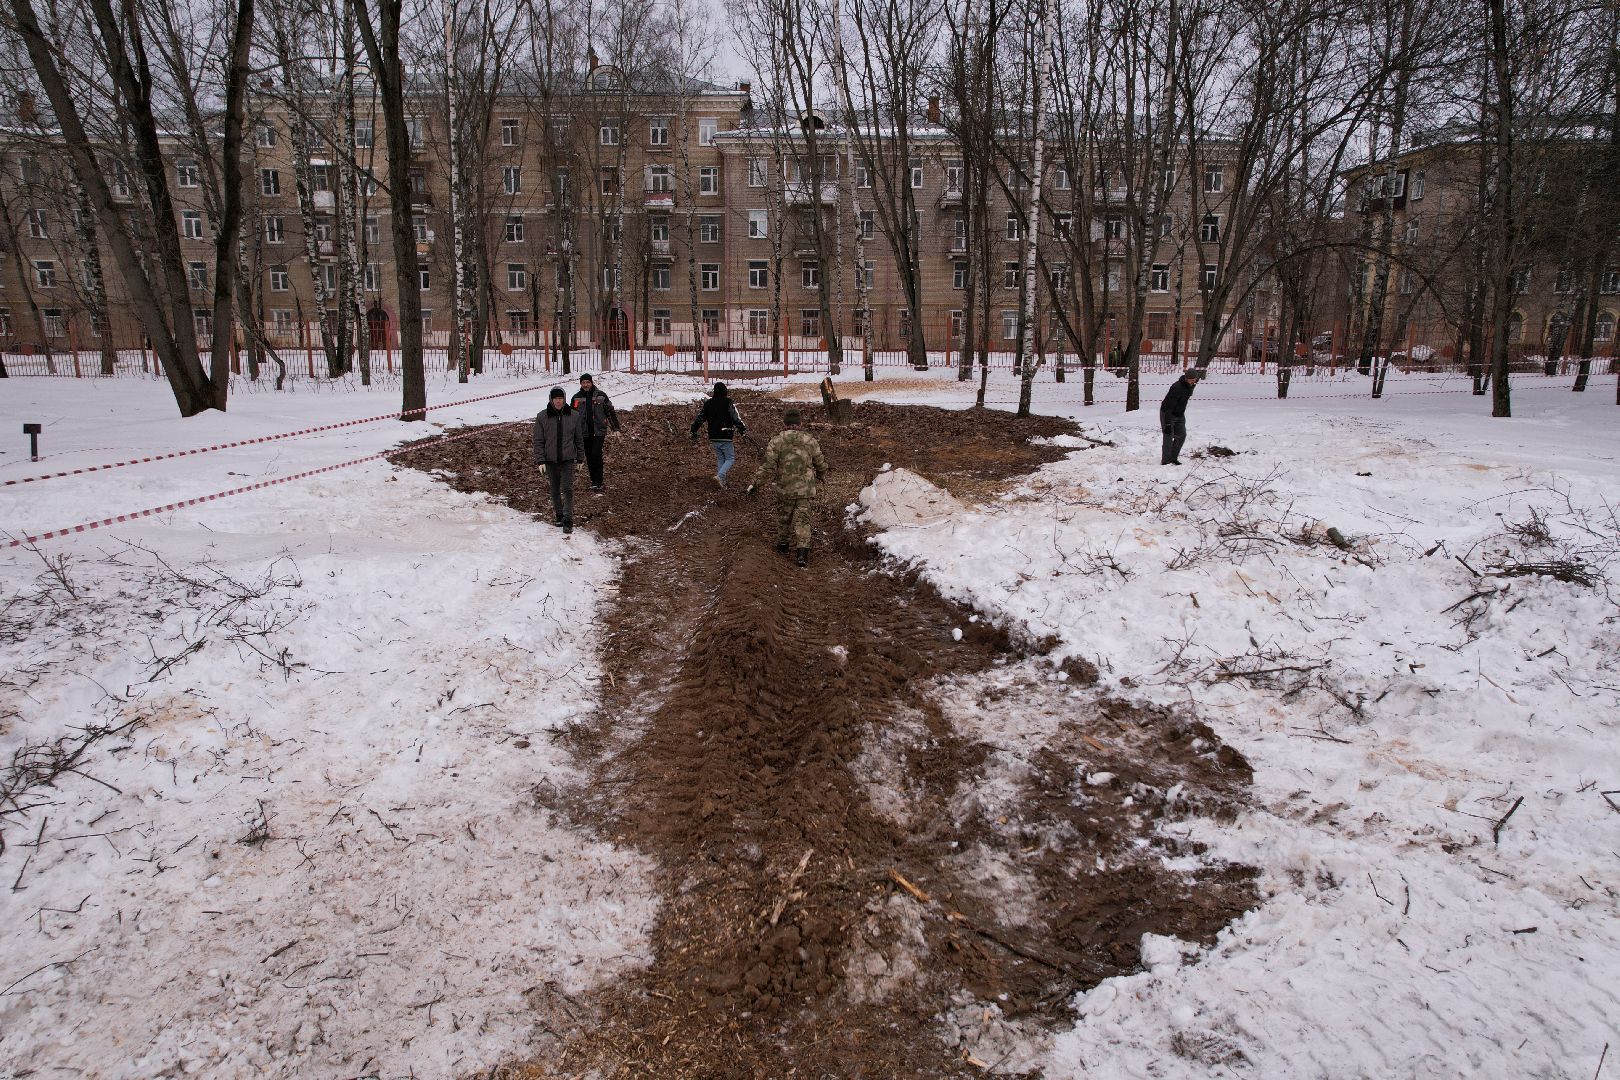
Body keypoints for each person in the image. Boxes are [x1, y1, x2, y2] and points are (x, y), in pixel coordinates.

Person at [746, 409, 827, 568]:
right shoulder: (810, 440)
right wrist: (821, 475)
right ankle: (802, 553)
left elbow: (767, 467)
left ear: (785, 424)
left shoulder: (776, 441)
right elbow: (820, 463)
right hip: (805, 488)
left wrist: (755, 485)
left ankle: (783, 546)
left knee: (784, 516)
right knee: (803, 519)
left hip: (785, 488)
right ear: (800, 423)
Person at [533, 386, 585, 534]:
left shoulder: (574, 416)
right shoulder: (542, 417)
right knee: (555, 489)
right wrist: (540, 460)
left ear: (564, 399)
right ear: (551, 399)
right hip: (550, 460)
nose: (558, 401)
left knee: (567, 489)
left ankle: (568, 519)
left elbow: (579, 439)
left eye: (560, 398)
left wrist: (580, 458)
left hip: (568, 458)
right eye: (555, 398)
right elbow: (538, 441)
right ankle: (559, 514)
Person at [569, 372, 621, 493]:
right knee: (589, 456)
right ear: (580, 384)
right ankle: (594, 481)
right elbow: (571, 416)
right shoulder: (576, 398)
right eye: (583, 382)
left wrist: (615, 428)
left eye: (588, 382)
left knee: (596, 453)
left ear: (592, 382)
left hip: (599, 431)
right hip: (584, 432)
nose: (586, 384)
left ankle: (599, 481)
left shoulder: (601, 396)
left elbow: (610, 412)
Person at [689, 382, 748, 487]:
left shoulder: (708, 404)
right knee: (730, 458)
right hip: (726, 434)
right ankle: (720, 476)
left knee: (721, 459)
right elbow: (735, 418)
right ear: (725, 391)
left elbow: (700, 418)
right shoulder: (728, 402)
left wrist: (694, 429)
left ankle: (721, 482)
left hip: (713, 436)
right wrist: (742, 429)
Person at [1159, 368, 1203, 465]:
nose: (1193, 381)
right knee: (1168, 436)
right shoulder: (1176, 388)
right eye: (1191, 379)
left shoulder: (1191, 385)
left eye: (1194, 379)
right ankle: (1166, 461)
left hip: (1180, 414)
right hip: (1168, 413)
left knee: (1181, 435)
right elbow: (1168, 406)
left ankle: (1173, 458)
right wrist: (1168, 423)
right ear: (1186, 378)